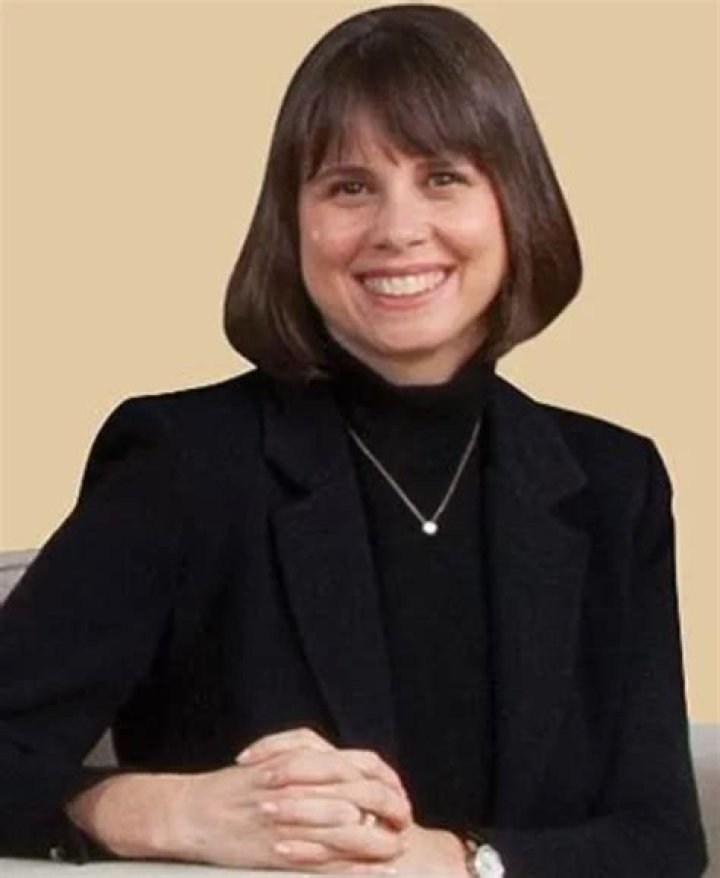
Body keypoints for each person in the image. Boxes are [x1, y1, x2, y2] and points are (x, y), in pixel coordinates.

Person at [0, 3, 708, 876]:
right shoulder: (184, 461)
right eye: (349, 187)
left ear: (515, 205)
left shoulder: (613, 482)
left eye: (443, 177)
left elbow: (661, 840)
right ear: (292, 222)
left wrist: (459, 862)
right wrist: (162, 811)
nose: (398, 230)